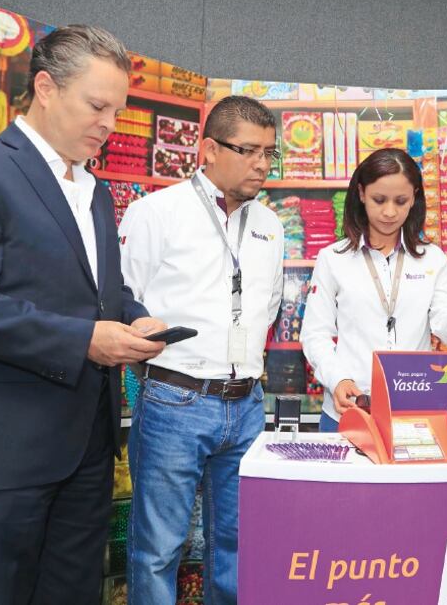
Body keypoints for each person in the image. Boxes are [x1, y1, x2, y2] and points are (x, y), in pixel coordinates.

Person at [0, 25, 166, 604]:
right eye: (97, 105)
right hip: (4, 447)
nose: (109, 123)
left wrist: (138, 318)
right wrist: (84, 340)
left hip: (88, 446)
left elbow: (103, 293)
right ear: (45, 87)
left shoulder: (96, 191)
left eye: (117, 110)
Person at [118, 95, 284, 604]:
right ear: (209, 149)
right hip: (175, 399)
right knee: (159, 547)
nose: (261, 164)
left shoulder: (271, 226)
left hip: (247, 404)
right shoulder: (156, 212)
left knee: (236, 542)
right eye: (248, 150)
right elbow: (124, 297)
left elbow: (269, 305)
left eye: (269, 153)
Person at [301, 148, 447, 431]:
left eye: (401, 201)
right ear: (361, 193)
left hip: (415, 414)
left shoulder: (432, 259)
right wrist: (338, 379)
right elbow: (315, 334)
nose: (389, 212)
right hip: (349, 412)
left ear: (415, 198)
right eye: (379, 199)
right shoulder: (333, 259)